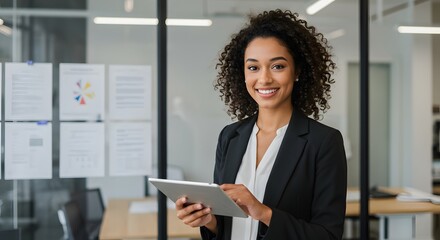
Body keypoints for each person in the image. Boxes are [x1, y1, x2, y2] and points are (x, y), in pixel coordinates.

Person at [176, 9, 347, 240]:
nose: (264, 79)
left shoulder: (323, 142)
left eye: (277, 66)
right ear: (243, 74)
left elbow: (328, 235)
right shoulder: (230, 136)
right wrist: (209, 222)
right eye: (253, 67)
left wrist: (264, 213)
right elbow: (225, 228)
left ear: (297, 71)